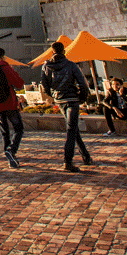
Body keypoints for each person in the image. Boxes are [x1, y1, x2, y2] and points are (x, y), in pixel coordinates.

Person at [41, 41, 92, 173]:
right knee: (71, 129)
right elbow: (83, 84)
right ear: (64, 51)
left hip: (60, 99)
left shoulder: (46, 66)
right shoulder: (71, 65)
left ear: (52, 52)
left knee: (72, 127)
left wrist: (53, 94)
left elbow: (44, 85)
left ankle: (86, 156)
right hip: (71, 99)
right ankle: (68, 161)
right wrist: (81, 97)